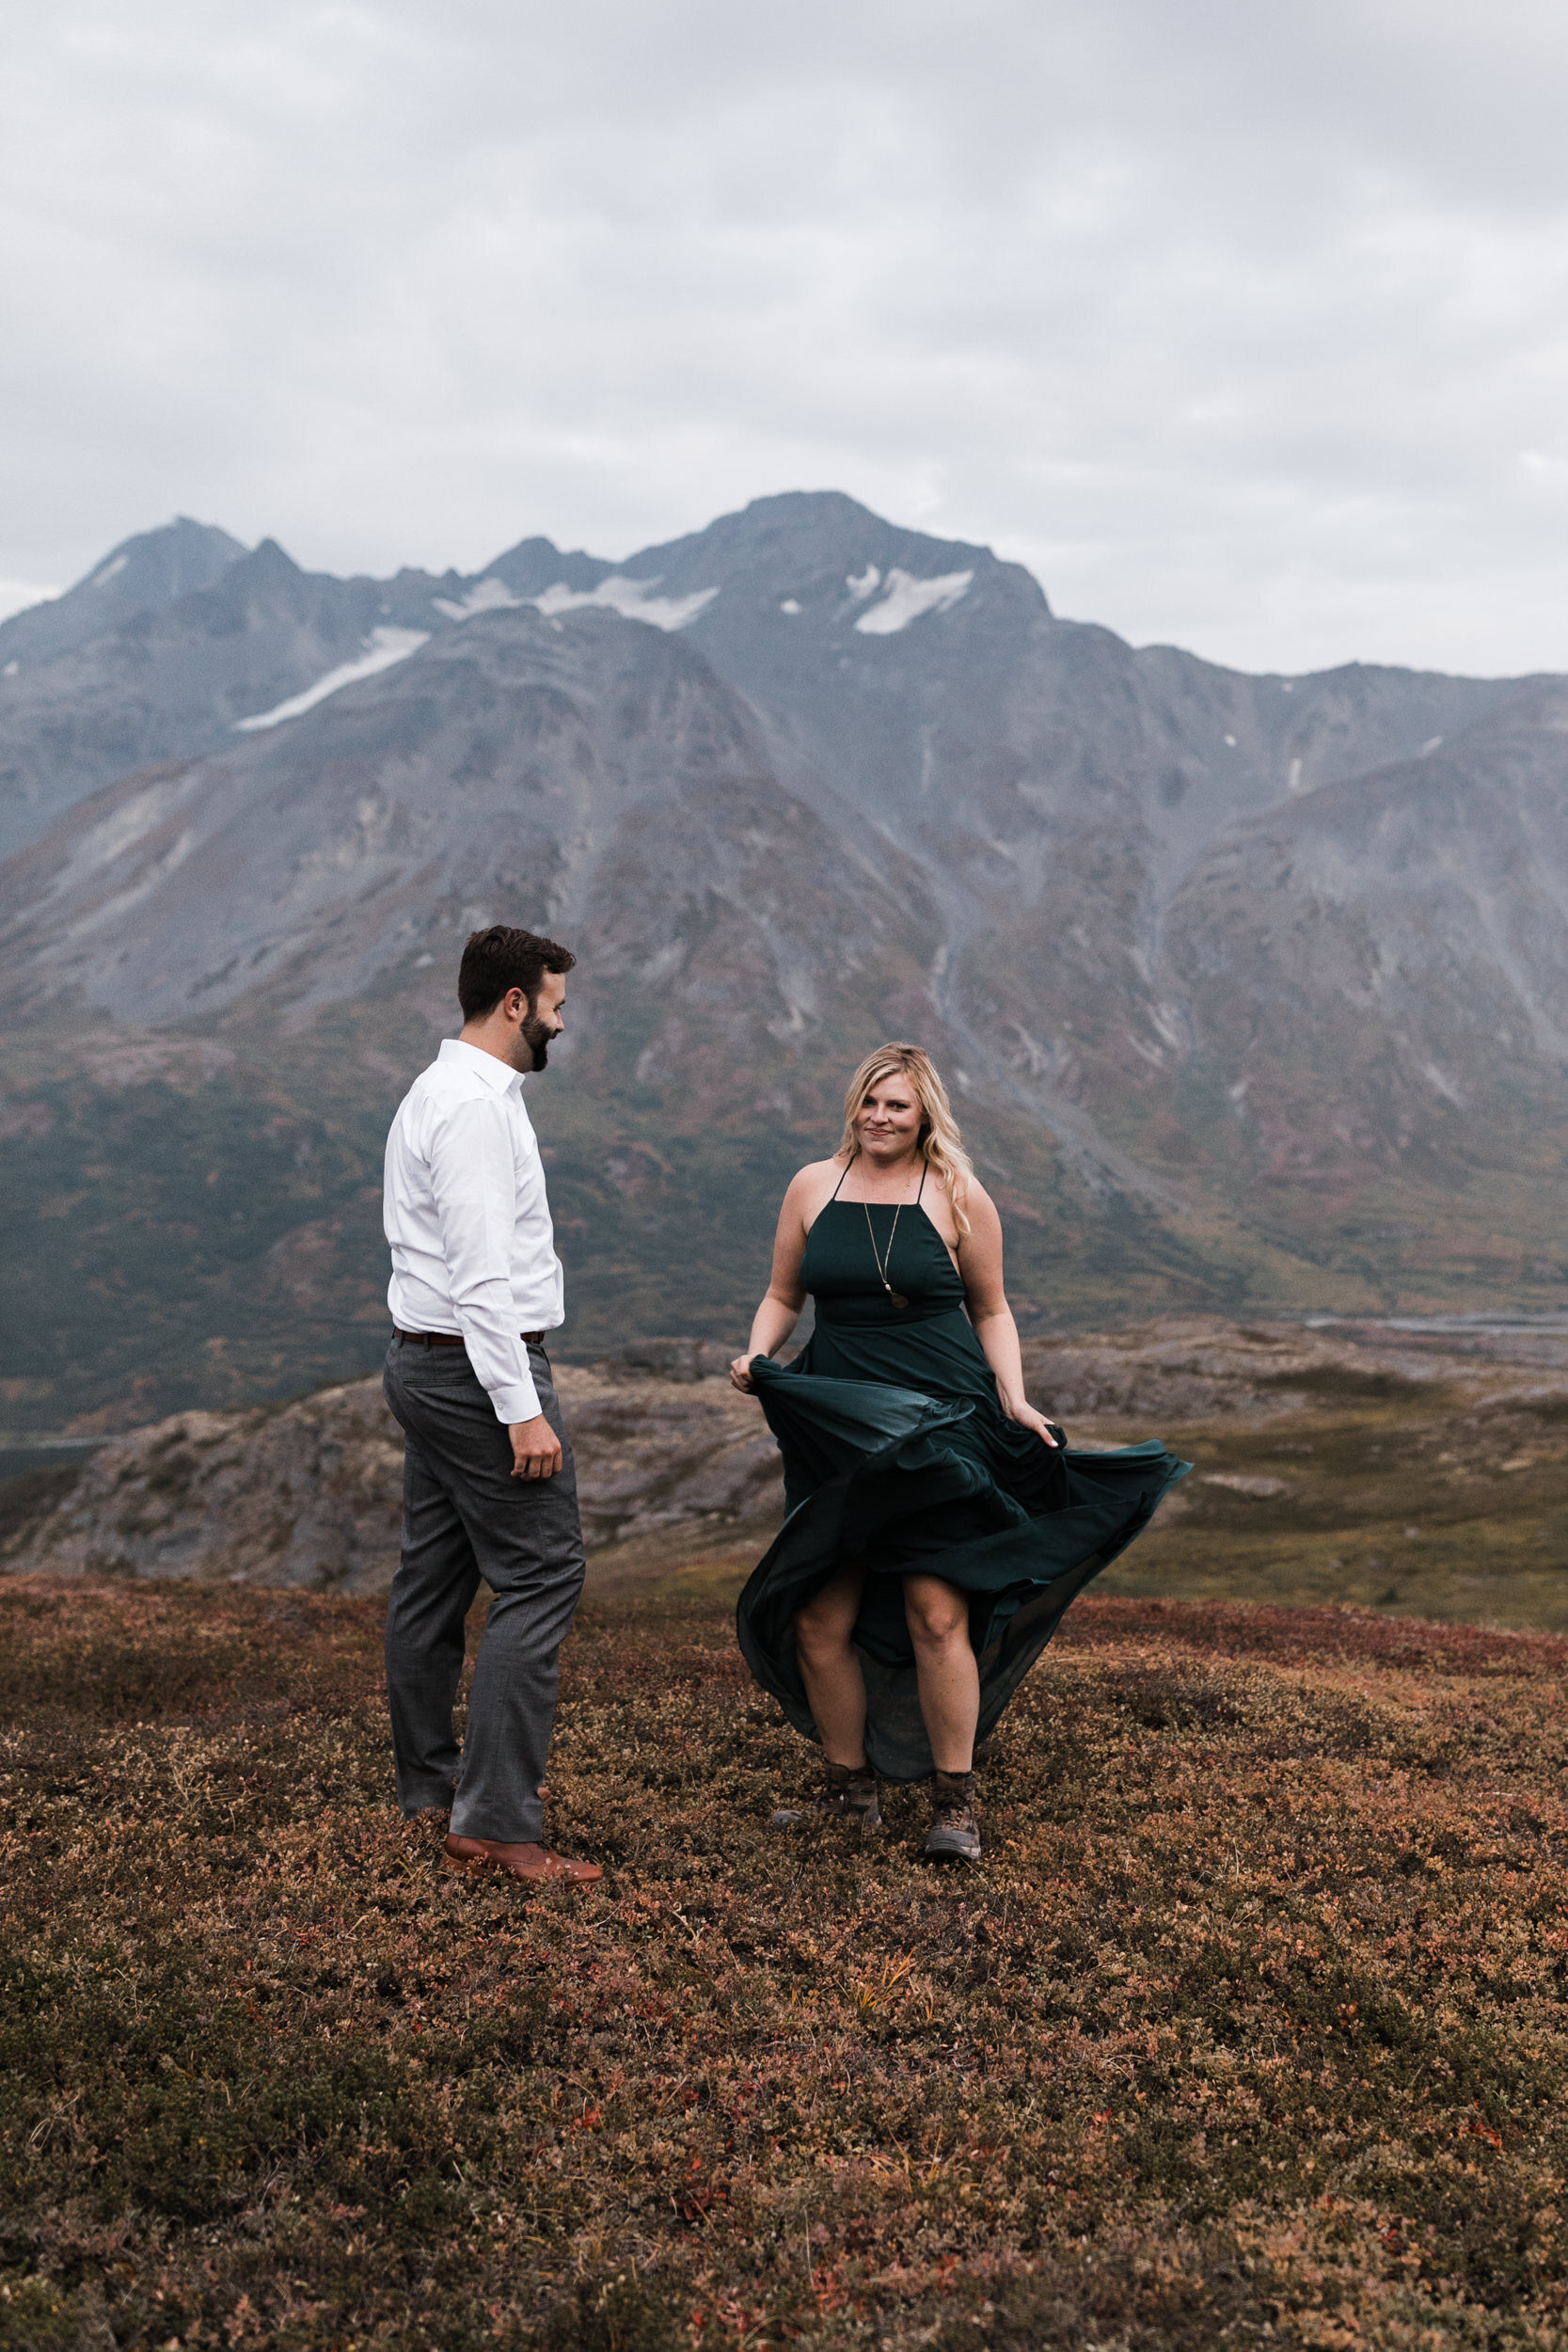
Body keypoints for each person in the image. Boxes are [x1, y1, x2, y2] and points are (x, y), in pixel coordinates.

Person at [731, 1043, 1189, 1865]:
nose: (878, 1118)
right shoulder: (810, 1185)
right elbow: (781, 1294)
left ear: (924, 1116)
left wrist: (1012, 1395)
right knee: (816, 1615)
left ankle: (955, 1805)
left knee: (936, 1614)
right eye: (869, 1102)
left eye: (896, 1107)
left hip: (942, 1424)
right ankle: (849, 1794)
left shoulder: (956, 1193)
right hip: (841, 1425)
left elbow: (992, 1308)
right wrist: (756, 1352)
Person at [381, 924, 601, 1886]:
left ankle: (430, 1790)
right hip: (479, 1372)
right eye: (553, 1003)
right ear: (512, 1001)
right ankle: (497, 1824)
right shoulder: (471, 1109)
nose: (560, 1019)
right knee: (543, 1574)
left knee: (432, 1576)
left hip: (426, 1366)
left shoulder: (443, 1091)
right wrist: (520, 1407)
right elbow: (478, 1277)